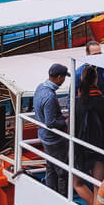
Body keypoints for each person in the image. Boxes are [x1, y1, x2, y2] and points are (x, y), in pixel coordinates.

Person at [73, 65, 104, 205]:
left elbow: (73, 128)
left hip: (81, 149)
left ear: (82, 79)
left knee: (77, 184)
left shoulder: (77, 102)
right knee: (99, 187)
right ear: (96, 80)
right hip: (100, 150)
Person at [33, 64, 70, 195]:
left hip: (44, 136)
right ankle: (63, 197)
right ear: (59, 77)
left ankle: (50, 192)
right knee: (61, 171)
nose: (64, 80)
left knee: (50, 166)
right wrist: (65, 122)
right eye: (64, 77)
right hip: (53, 139)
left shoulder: (40, 88)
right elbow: (50, 122)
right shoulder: (50, 96)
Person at [76, 40, 104, 117]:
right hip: (89, 115)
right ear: (87, 55)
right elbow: (72, 97)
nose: (98, 57)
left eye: (100, 54)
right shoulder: (79, 73)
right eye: (95, 54)